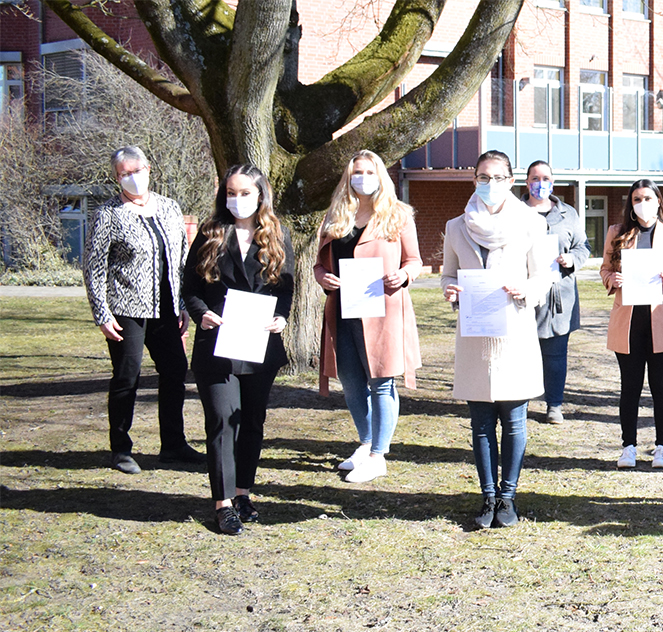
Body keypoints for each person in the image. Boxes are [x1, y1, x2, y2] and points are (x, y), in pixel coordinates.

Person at [440, 150, 552, 529]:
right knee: (481, 423)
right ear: (474, 180)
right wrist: (450, 290)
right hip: (474, 335)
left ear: (511, 180)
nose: (491, 184)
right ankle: (487, 496)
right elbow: (446, 275)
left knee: (515, 420)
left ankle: (508, 496)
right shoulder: (456, 226)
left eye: (498, 177)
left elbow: (543, 276)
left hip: (514, 331)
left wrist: (526, 290)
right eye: (483, 177)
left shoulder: (530, 223)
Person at [182, 164, 294, 534]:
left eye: (245, 193)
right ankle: (223, 502)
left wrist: (281, 318)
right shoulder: (211, 233)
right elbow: (190, 288)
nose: (237, 200)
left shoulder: (277, 235)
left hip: (259, 345)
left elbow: (285, 290)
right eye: (231, 193)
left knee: (251, 423)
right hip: (217, 345)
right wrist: (201, 315)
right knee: (221, 421)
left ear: (261, 194)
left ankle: (243, 492)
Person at [84, 146, 199, 474]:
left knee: (176, 372)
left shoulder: (168, 207)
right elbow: (93, 267)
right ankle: (120, 448)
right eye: (125, 173)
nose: (133, 177)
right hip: (125, 310)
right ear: (117, 177)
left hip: (166, 309)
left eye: (137, 170)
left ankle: (173, 444)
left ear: (149, 169)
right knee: (126, 377)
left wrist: (183, 305)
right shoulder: (108, 214)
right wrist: (102, 314)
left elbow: (181, 256)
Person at [314, 150, 423, 484]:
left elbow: (414, 260)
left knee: (381, 381)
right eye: (356, 172)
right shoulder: (336, 215)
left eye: (369, 172)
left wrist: (403, 276)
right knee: (350, 382)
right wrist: (322, 277)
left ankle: (379, 455)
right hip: (344, 311)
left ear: (380, 176)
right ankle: (366, 443)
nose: (362, 178)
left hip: (383, 312)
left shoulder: (398, 215)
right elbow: (320, 263)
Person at [600, 180, 663, 469]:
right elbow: (605, 267)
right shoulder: (617, 233)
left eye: (648, 197)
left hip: (661, 318)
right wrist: (611, 280)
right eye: (637, 198)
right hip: (628, 321)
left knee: (661, 386)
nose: (642, 203)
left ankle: (662, 446)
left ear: (658, 201)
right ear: (631, 202)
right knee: (630, 386)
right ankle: (628, 446)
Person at [524, 161, 592, 424]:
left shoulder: (568, 213)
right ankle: (519, 401)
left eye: (546, 178)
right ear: (527, 181)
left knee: (555, 353)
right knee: (523, 352)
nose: (541, 183)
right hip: (522, 293)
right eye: (535, 178)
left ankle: (554, 404)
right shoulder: (515, 212)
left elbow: (583, 247)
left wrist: (571, 259)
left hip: (558, 296)